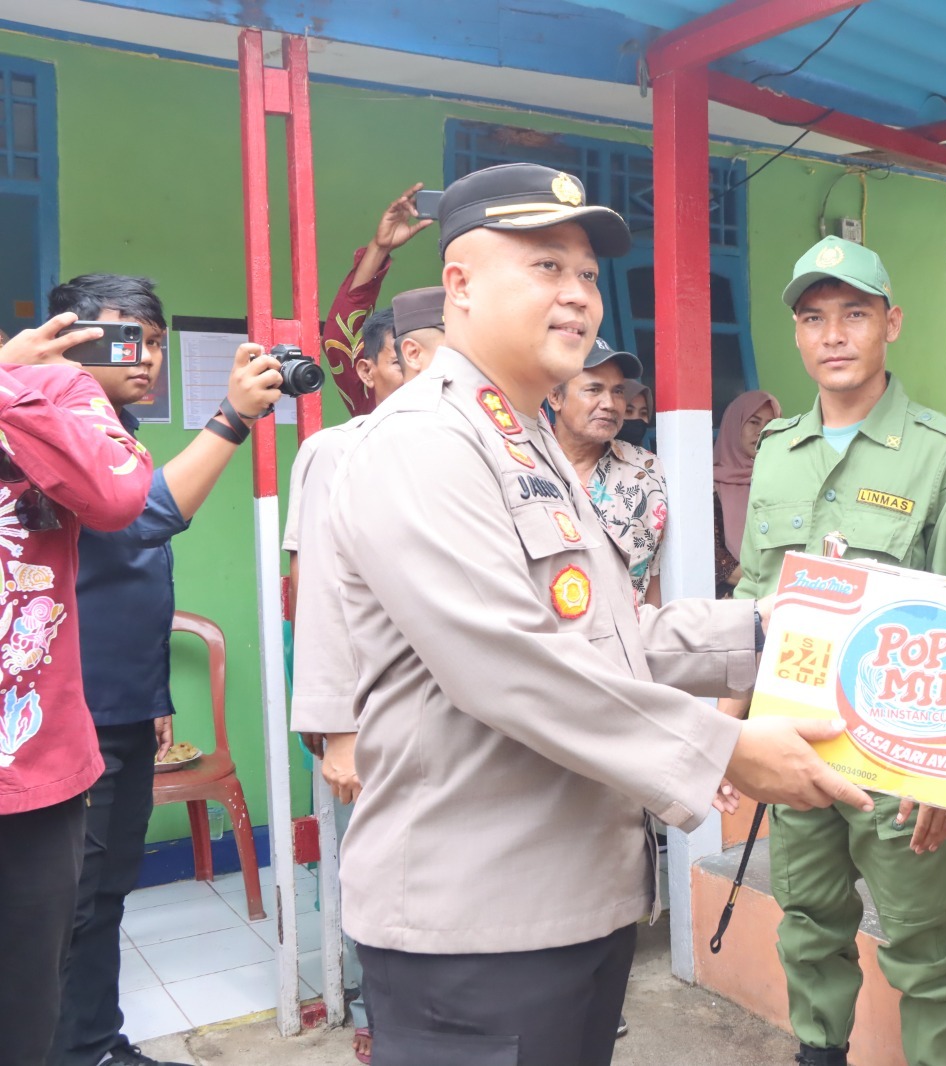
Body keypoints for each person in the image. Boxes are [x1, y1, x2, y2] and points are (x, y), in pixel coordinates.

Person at [289, 162, 874, 1066]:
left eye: (589, 277)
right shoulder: (421, 444)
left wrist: (774, 628)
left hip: (568, 903)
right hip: (477, 925)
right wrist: (726, 751)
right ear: (460, 285)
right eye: (546, 267)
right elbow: (509, 666)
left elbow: (611, 636)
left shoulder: (522, 442)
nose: (578, 297)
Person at [725, 235, 946, 1066]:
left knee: (922, 943)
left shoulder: (945, 453)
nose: (833, 334)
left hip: (902, 755)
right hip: (798, 741)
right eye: (814, 318)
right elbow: (752, 600)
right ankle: (819, 1054)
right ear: (800, 336)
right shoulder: (775, 452)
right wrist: (726, 729)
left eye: (855, 313)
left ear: (892, 323)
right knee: (808, 924)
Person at [40, 275, 283, 1066]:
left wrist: (155, 693)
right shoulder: (57, 424)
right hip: (71, 710)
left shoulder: (118, 425)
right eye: (123, 340)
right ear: (70, 338)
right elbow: (147, 515)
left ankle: (95, 1042)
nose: (144, 357)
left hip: (121, 700)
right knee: (74, 902)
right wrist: (233, 417)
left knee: (104, 894)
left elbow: (125, 578)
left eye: (154, 341)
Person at [284, 285, 445, 1066]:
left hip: (455, 711)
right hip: (373, 709)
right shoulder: (335, 450)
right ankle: (379, 1020)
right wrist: (335, 730)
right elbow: (315, 594)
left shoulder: (483, 445)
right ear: (383, 367)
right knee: (378, 870)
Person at [0, 313, 153, 1066]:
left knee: (26, 1010)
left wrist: (7, 385)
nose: (145, 358)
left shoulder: (49, 387)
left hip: (34, 771)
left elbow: (120, 497)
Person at [547, 338, 665, 607]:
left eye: (618, 391)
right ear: (555, 396)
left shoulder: (646, 471)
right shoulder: (523, 463)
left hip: (627, 641)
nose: (610, 404)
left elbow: (652, 575)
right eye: (594, 389)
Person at [322, 184, 433, 418]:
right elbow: (339, 337)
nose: (417, 375)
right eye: (399, 362)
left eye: (429, 364)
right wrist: (379, 248)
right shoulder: (369, 408)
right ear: (366, 372)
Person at [710, 389, 780, 597]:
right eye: (754, 422)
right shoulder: (707, 488)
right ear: (734, 426)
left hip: (779, 599)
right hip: (731, 603)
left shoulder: (783, 480)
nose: (762, 431)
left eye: (770, 424)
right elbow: (712, 559)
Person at [618, 379, 655, 451]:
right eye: (628, 411)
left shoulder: (648, 460)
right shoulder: (593, 458)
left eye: (643, 413)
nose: (636, 418)